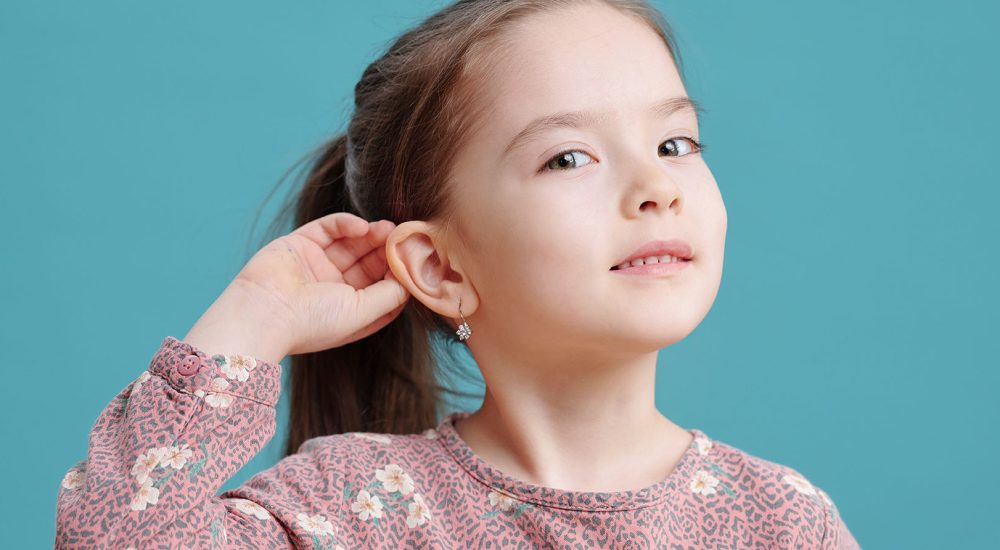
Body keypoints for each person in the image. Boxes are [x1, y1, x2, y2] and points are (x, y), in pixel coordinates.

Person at [54, 0, 861, 547]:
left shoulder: (782, 520)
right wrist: (255, 319)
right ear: (438, 267)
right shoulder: (349, 511)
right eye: (568, 156)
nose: (656, 188)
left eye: (674, 143)